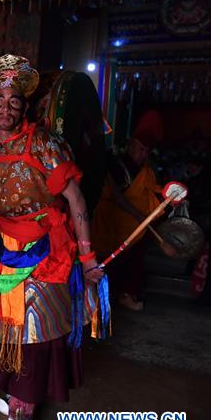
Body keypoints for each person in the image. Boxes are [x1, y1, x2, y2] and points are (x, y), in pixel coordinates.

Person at [0, 54, 105, 420]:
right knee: (2, 328)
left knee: (35, 336)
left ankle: (24, 409)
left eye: (13, 101)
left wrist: (87, 258)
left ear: (24, 104)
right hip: (1, 250)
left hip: (44, 253)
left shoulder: (44, 144)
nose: (5, 108)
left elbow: (76, 201)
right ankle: (10, 390)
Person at [91, 110, 163, 311]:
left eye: (146, 151)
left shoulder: (146, 170)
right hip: (111, 222)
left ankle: (125, 294)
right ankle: (100, 297)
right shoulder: (114, 164)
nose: (143, 155)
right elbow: (115, 195)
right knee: (106, 260)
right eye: (140, 149)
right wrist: (139, 215)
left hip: (134, 225)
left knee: (132, 259)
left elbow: (150, 192)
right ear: (130, 144)